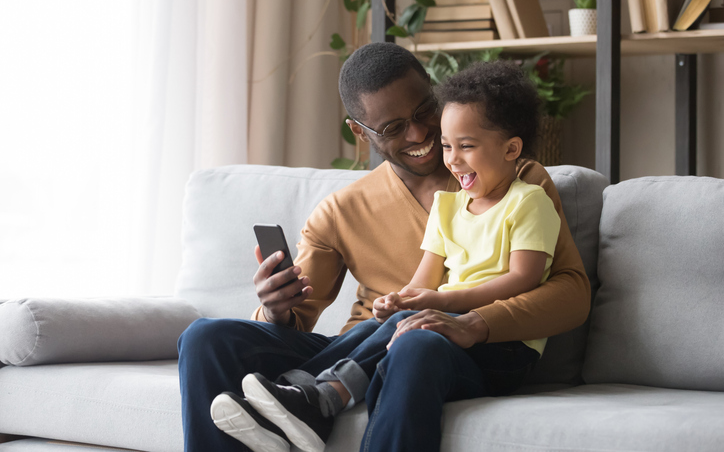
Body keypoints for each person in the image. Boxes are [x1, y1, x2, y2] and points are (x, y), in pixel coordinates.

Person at [177, 43, 590, 452]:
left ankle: (308, 398)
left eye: (424, 110)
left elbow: (571, 294)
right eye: (392, 128)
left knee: (416, 340)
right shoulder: (340, 211)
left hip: (445, 348)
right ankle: (304, 398)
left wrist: (475, 322)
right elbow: (295, 323)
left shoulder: (514, 181)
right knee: (204, 338)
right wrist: (274, 308)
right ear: (359, 131)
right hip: (364, 343)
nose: (420, 134)